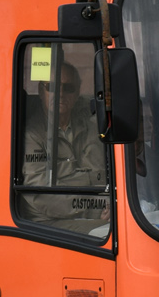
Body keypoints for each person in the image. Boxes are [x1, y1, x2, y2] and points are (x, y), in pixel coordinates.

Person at [21, 60, 108, 231]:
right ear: (41, 91)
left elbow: (107, 176)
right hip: (50, 225)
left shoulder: (92, 127)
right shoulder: (32, 135)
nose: (60, 94)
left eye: (68, 88)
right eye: (52, 87)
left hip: (98, 216)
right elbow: (41, 196)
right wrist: (98, 204)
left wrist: (112, 202)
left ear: (77, 94)